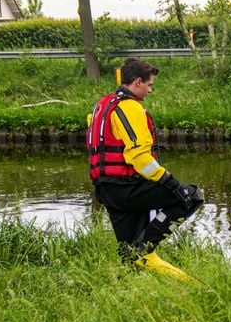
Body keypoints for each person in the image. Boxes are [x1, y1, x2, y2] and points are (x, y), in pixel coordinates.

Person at [87, 57, 204, 281]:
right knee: (191, 197)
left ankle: (130, 287)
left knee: (127, 252)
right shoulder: (130, 107)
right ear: (138, 82)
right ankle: (146, 246)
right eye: (150, 85)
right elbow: (139, 157)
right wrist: (172, 184)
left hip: (105, 190)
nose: (151, 90)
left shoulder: (103, 104)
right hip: (126, 187)